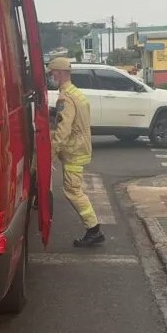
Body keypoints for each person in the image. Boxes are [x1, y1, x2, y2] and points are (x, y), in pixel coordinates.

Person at [46, 57, 104, 247]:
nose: (50, 77)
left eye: (51, 73)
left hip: (74, 150)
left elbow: (64, 129)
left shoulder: (66, 98)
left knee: (73, 190)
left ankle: (93, 229)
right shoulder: (76, 93)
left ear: (60, 73)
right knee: (74, 189)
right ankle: (93, 229)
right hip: (81, 147)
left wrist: (51, 152)